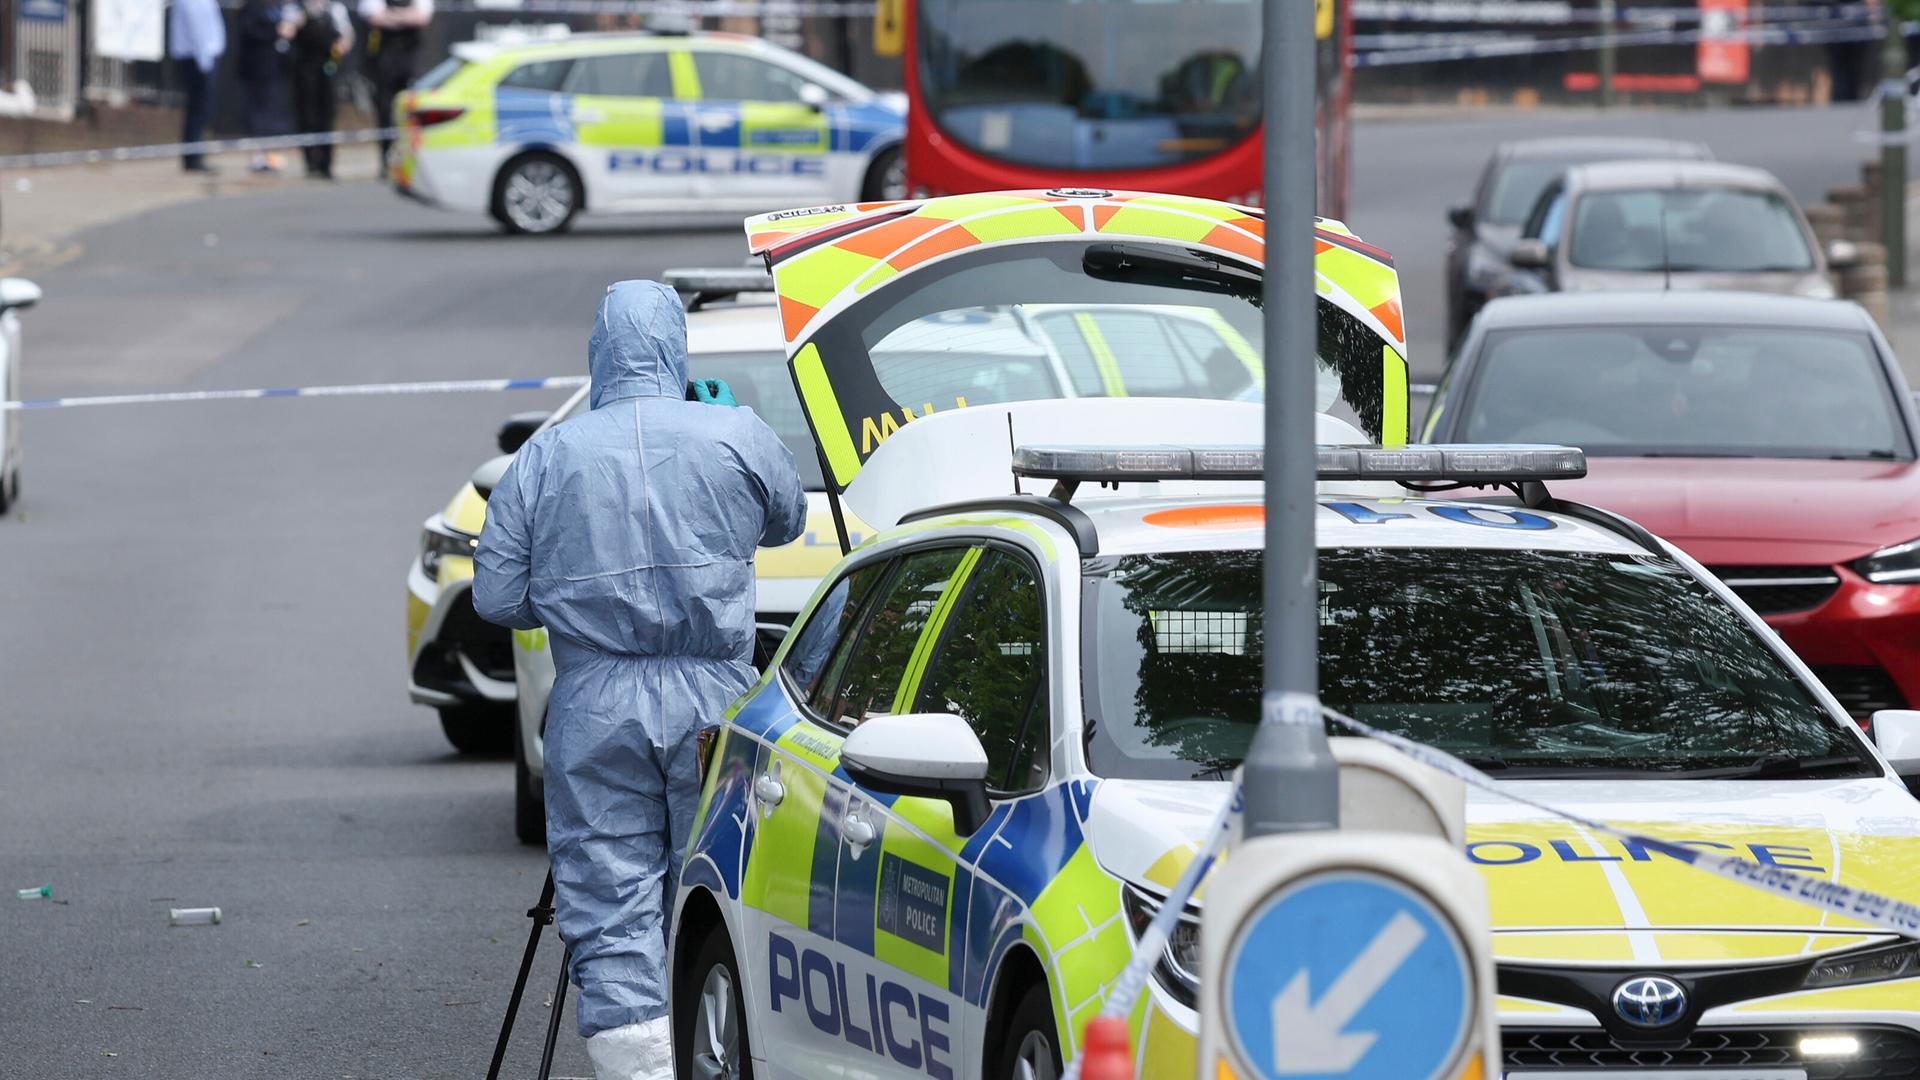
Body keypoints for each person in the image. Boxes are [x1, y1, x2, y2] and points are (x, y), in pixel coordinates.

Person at [473, 281, 806, 1080]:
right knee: (717, 887)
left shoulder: (550, 455)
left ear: (599, 354)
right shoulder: (735, 432)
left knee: (608, 891)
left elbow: (497, 595)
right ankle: (716, 1048)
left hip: (596, 700)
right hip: (713, 703)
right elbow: (787, 520)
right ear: (676, 350)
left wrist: (573, 599)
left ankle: (639, 1067)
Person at [357, 0, 432, 177]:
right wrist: (406, 16)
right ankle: (386, 159)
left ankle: (410, 160)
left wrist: (391, 15)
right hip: (384, 60)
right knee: (385, 111)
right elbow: (374, 17)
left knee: (410, 111)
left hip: (410, 59)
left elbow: (421, 18)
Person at [288, 0, 352, 179]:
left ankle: (327, 163)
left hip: (328, 67)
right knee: (307, 115)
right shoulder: (296, 9)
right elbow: (287, 31)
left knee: (327, 115)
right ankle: (310, 162)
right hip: (304, 68)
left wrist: (340, 48)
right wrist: (302, 17)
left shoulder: (335, 10)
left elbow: (346, 37)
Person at [168, 0, 227, 173]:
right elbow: (197, 28)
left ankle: (195, 155)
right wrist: (205, 61)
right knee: (198, 110)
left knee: (201, 110)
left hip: (202, 57)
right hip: (198, 58)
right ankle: (193, 158)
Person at [235, 0, 292, 173]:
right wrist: (276, 31)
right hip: (256, 70)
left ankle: (269, 155)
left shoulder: (277, 9)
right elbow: (250, 32)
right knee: (257, 116)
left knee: (271, 116)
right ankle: (257, 157)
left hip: (273, 70)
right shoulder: (251, 8)